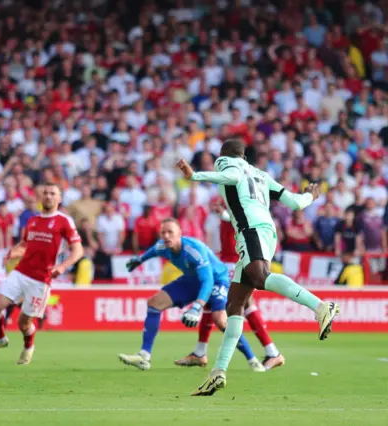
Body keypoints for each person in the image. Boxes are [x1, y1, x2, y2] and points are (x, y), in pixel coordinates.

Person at [177, 140, 340, 396]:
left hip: (251, 230)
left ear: (225, 155)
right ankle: (218, 372)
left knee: (260, 276)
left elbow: (230, 174)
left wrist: (195, 175)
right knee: (235, 304)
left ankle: (320, 307)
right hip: (263, 230)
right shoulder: (261, 175)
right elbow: (297, 203)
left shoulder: (229, 164)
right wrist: (311, 195)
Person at [117, 219, 265, 372]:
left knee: (220, 320)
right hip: (192, 280)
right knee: (154, 303)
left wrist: (196, 307)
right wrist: (139, 260)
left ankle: (252, 359)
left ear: (180, 234)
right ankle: (144, 356)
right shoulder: (163, 245)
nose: (166, 236)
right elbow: (153, 250)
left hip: (217, 280)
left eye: (170, 232)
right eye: (163, 233)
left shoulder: (193, 251)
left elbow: (207, 281)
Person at [0, 183, 83, 365]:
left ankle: (28, 347)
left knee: (24, 324)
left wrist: (62, 266)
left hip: (41, 280)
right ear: (40, 197)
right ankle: (0, 338)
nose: (48, 196)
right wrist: (14, 252)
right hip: (21, 272)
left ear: (59, 199)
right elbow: (25, 245)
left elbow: (78, 250)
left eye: (53, 193)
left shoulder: (64, 221)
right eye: (45, 193)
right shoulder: (33, 221)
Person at [176, 205, 285, 370]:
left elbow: (241, 220)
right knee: (229, 304)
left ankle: (272, 353)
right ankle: (200, 352)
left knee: (241, 305)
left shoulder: (241, 209)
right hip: (231, 262)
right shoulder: (235, 207)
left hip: (236, 263)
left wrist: (226, 214)